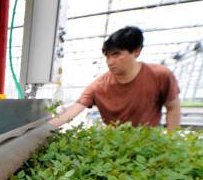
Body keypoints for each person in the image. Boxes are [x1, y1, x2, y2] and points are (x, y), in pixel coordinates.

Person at [53, 26, 181, 130]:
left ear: (136, 51)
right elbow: (75, 108)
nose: (110, 62)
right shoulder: (99, 86)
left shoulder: (160, 75)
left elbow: (173, 107)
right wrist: (47, 128)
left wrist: (170, 142)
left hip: (149, 146)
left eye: (116, 55)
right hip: (115, 143)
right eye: (107, 57)